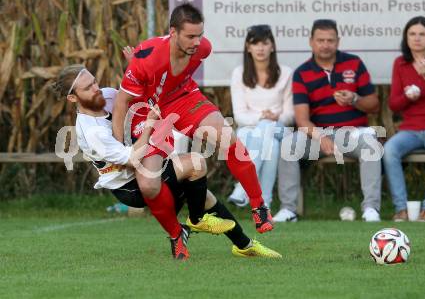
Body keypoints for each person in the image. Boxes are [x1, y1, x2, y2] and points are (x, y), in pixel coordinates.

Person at [53, 64, 282, 259]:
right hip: (130, 187)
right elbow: (133, 158)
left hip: (145, 170)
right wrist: (151, 125)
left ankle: (243, 246)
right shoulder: (92, 132)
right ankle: (196, 221)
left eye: (94, 81)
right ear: (72, 98)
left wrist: (138, 67)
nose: (96, 89)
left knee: (204, 195)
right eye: (88, 88)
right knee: (195, 163)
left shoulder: (109, 96)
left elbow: (138, 96)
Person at [112, 3, 273, 233]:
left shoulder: (203, 48)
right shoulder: (147, 57)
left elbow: (178, 74)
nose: (196, 42)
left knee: (229, 140)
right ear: (173, 32)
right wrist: (119, 150)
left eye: (200, 35)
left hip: (185, 98)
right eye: (190, 36)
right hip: (151, 110)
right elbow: (120, 104)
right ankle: (180, 230)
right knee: (149, 180)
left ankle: (259, 207)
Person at [279, 19, 382, 222]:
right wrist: (321, 136)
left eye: (330, 40)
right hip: (318, 135)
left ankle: (371, 209)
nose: (325, 45)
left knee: (371, 145)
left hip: (353, 132)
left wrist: (355, 99)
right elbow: (302, 119)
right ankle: (288, 210)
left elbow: (374, 105)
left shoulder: (354, 63)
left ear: (338, 41)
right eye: (320, 40)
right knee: (288, 146)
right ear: (311, 42)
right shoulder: (302, 73)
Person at [226, 25, 294, 216]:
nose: (260, 48)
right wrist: (262, 117)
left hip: (279, 128)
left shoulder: (286, 73)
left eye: (265, 43)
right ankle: (265, 208)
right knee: (270, 146)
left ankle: (243, 185)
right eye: (255, 44)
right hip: (249, 130)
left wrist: (275, 117)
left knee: (268, 130)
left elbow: (290, 115)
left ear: (272, 46)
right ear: (248, 47)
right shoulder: (239, 74)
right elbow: (239, 115)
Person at [384, 16, 425, 222]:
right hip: (410, 129)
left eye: (422, 34)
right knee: (389, 150)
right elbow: (394, 105)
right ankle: (401, 209)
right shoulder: (401, 63)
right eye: (412, 34)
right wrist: (408, 97)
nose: (417, 38)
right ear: (406, 38)